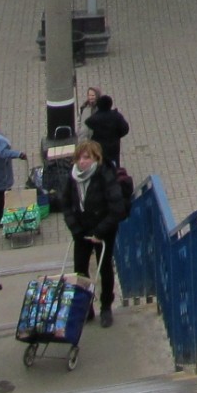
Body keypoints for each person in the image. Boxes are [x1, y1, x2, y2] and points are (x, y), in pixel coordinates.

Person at [60, 139, 122, 327]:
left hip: (102, 231)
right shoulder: (72, 178)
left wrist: (100, 231)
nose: (82, 161)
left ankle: (105, 307)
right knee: (80, 269)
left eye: (87, 157)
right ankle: (86, 307)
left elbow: (116, 208)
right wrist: (76, 229)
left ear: (96, 158)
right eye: (79, 157)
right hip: (82, 231)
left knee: (105, 269)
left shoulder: (104, 175)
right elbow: (66, 204)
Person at [85, 93, 130, 168]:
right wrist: (117, 135)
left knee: (99, 163)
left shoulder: (94, 119)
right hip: (114, 145)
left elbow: (87, 124)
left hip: (99, 146)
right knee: (115, 163)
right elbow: (125, 129)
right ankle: (115, 175)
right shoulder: (116, 116)